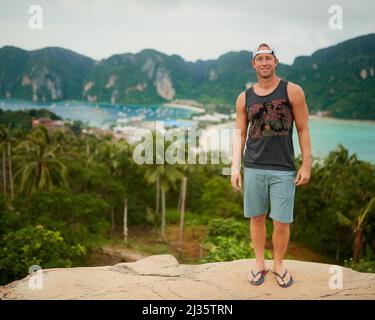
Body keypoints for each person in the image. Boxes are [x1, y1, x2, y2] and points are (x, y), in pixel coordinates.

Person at [231, 43, 312, 288]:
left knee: (281, 221)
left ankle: (278, 264)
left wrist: (306, 164)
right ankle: (259, 263)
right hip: (253, 165)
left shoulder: (293, 91)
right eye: (260, 59)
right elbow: (240, 134)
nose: (265, 62)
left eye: (269, 58)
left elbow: (303, 128)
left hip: (284, 167)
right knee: (256, 218)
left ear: (275, 62)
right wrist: (235, 167)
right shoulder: (244, 97)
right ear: (253, 64)